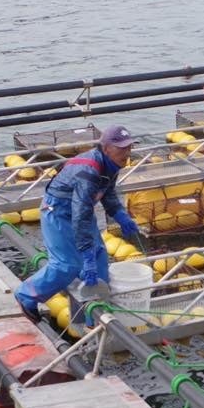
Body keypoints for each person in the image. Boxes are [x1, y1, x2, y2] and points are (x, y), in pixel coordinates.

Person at [14, 125, 142, 321]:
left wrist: (120, 214)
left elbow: (107, 193)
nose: (127, 153)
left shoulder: (113, 165)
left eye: (129, 147)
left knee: (99, 257)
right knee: (67, 264)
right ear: (106, 148)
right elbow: (80, 215)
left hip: (81, 210)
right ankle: (26, 296)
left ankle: (96, 316)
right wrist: (85, 255)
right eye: (121, 148)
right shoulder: (88, 171)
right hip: (57, 211)